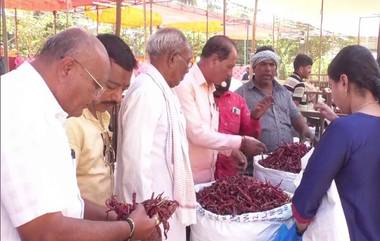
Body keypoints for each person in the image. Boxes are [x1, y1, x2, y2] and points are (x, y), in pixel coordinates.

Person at [1, 28, 156, 241]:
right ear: (67, 68)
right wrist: (128, 228)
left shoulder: (44, 109)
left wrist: (116, 216)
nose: (97, 96)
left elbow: (67, 203)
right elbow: (43, 232)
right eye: (96, 86)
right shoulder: (18, 107)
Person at [115, 28, 196, 241]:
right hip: (150, 216)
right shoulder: (146, 92)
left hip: (164, 207)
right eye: (187, 62)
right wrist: (144, 219)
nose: (188, 70)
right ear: (172, 58)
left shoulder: (163, 92)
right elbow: (134, 161)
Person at [292, 45, 380, 241]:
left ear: (344, 81)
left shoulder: (343, 131)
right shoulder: (349, 129)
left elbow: (304, 206)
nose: (333, 94)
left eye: (331, 86)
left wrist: (299, 226)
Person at [175, 35, 267, 184]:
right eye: (229, 67)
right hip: (186, 179)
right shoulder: (185, 85)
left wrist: (229, 151)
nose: (230, 73)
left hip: (206, 179)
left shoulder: (209, 88)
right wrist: (241, 142)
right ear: (214, 61)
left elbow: (210, 132)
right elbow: (196, 134)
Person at [64, 33, 137, 206]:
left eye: (124, 89)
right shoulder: (72, 123)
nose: (118, 97)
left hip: (104, 222)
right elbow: (63, 197)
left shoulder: (103, 115)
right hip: (82, 225)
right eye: (111, 86)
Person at [235, 47, 313, 152]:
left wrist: (305, 129)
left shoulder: (284, 93)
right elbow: (233, 130)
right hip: (255, 161)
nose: (268, 69)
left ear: (275, 69)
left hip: (286, 160)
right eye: (263, 64)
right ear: (254, 67)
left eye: (272, 65)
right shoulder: (240, 95)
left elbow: (296, 117)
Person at [213, 78, 272, 178]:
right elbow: (198, 134)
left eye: (230, 70)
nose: (227, 75)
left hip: (229, 174)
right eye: (226, 68)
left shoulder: (238, 101)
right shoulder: (199, 98)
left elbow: (249, 136)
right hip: (201, 172)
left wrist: (254, 118)